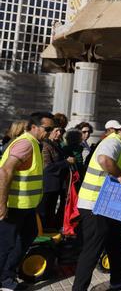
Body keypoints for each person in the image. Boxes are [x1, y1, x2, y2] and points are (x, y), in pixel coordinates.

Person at [72, 118, 121, 290]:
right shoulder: (114, 142)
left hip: (104, 205)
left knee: (116, 237)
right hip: (94, 205)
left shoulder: (116, 143)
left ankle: (118, 277)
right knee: (92, 250)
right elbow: (104, 160)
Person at [0, 112, 54, 291]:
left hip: (27, 207)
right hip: (14, 206)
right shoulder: (26, 144)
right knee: (5, 245)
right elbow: (5, 171)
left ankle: (7, 278)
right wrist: (2, 203)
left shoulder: (35, 144)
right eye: (47, 129)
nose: (50, 132)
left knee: (26, 238)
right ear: (33, 127)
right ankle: (4, 280)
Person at [39, 127, 76, 230]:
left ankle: (50, 232)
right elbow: (47, 167)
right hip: (47, 185)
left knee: (50, 212)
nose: (59, 133)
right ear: (49, 132)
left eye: (61, 131)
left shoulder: (57, 144)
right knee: (44, 211)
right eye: (56, 131)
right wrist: (66, 162)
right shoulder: (45, 145)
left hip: (56, 185)